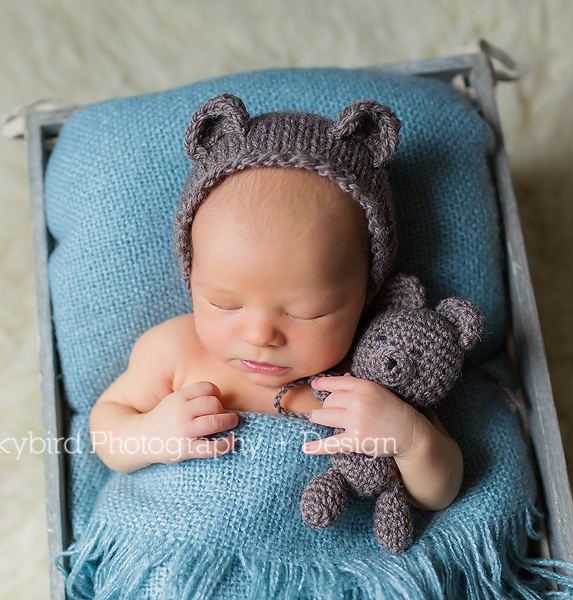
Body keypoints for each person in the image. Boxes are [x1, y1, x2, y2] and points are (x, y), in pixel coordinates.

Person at [88, 93, 462, 514]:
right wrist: (147, 436)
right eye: (223, 303)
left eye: (307, 312)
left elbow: (440, 493)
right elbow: (107, 424)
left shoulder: (373, 372)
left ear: (365, 297)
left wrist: (412, 440)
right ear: (191, 280)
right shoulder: (173, 352)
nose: (259, 335)